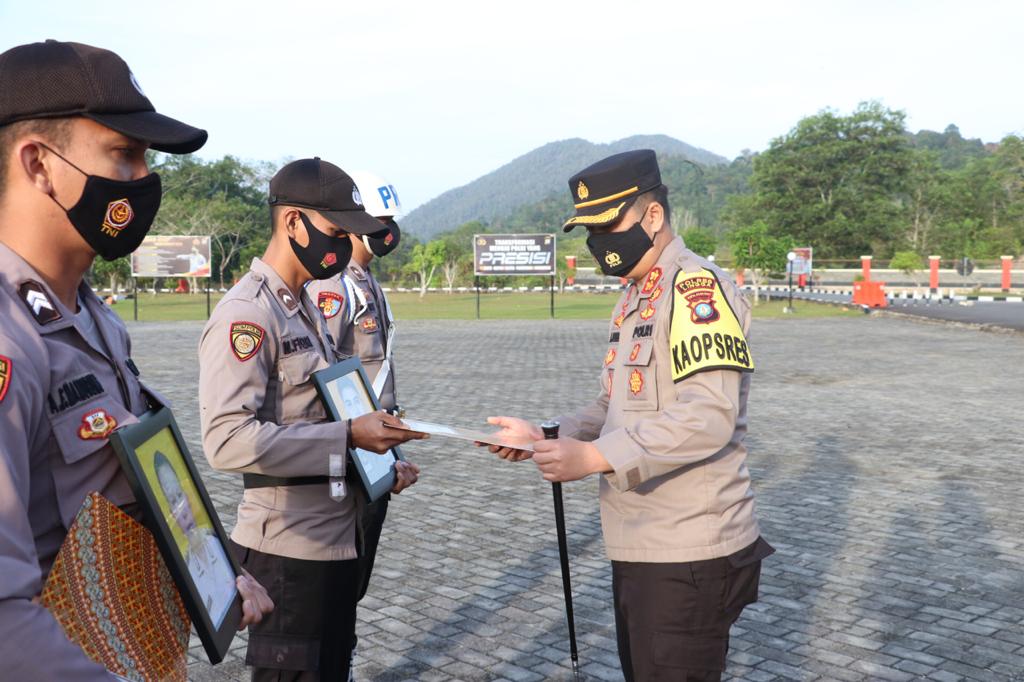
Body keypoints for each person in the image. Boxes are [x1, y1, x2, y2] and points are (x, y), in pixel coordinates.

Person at [0, 40, 273, 681]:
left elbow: (132, 474)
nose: (143, 181)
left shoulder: (92, 317)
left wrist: (216, 565)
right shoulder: (10, 339)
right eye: (124, 155)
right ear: (38, 163)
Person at [488, 149, 774, 682]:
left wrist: (594, 456)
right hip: (646, 542)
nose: (599, 243)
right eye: (589, 231)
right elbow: (611, 403)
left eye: (608, 225)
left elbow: (709, 414)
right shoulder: (638, 296)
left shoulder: (695, 291)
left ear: (653, 217)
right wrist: (549, 436)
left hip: (687, 549)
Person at [198, 157, 424, 682]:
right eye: (336, 231)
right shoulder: (248, 315)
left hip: (336, 538)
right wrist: (349, 438)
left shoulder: (306, 309)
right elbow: (227, 441)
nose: (345, 245)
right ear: (293, 222)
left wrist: (381, 459)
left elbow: (328, 411)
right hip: (288, 552)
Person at [306, 170, 415, 677]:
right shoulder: (334, 285)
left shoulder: (367, 280)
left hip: (377, 440)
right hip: (352, 445)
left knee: (360, 563)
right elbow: (325, 376)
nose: (386, 230)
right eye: (378, 220)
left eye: (390, 220)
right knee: (344, 568)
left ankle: (339, 652)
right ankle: (333, 658)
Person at [153, 450, 237, 627]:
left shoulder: (217, 544)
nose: (181, 509)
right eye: (173, 501)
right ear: (170, 513)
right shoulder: (187, 568)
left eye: (179, 495)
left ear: (188, 497)